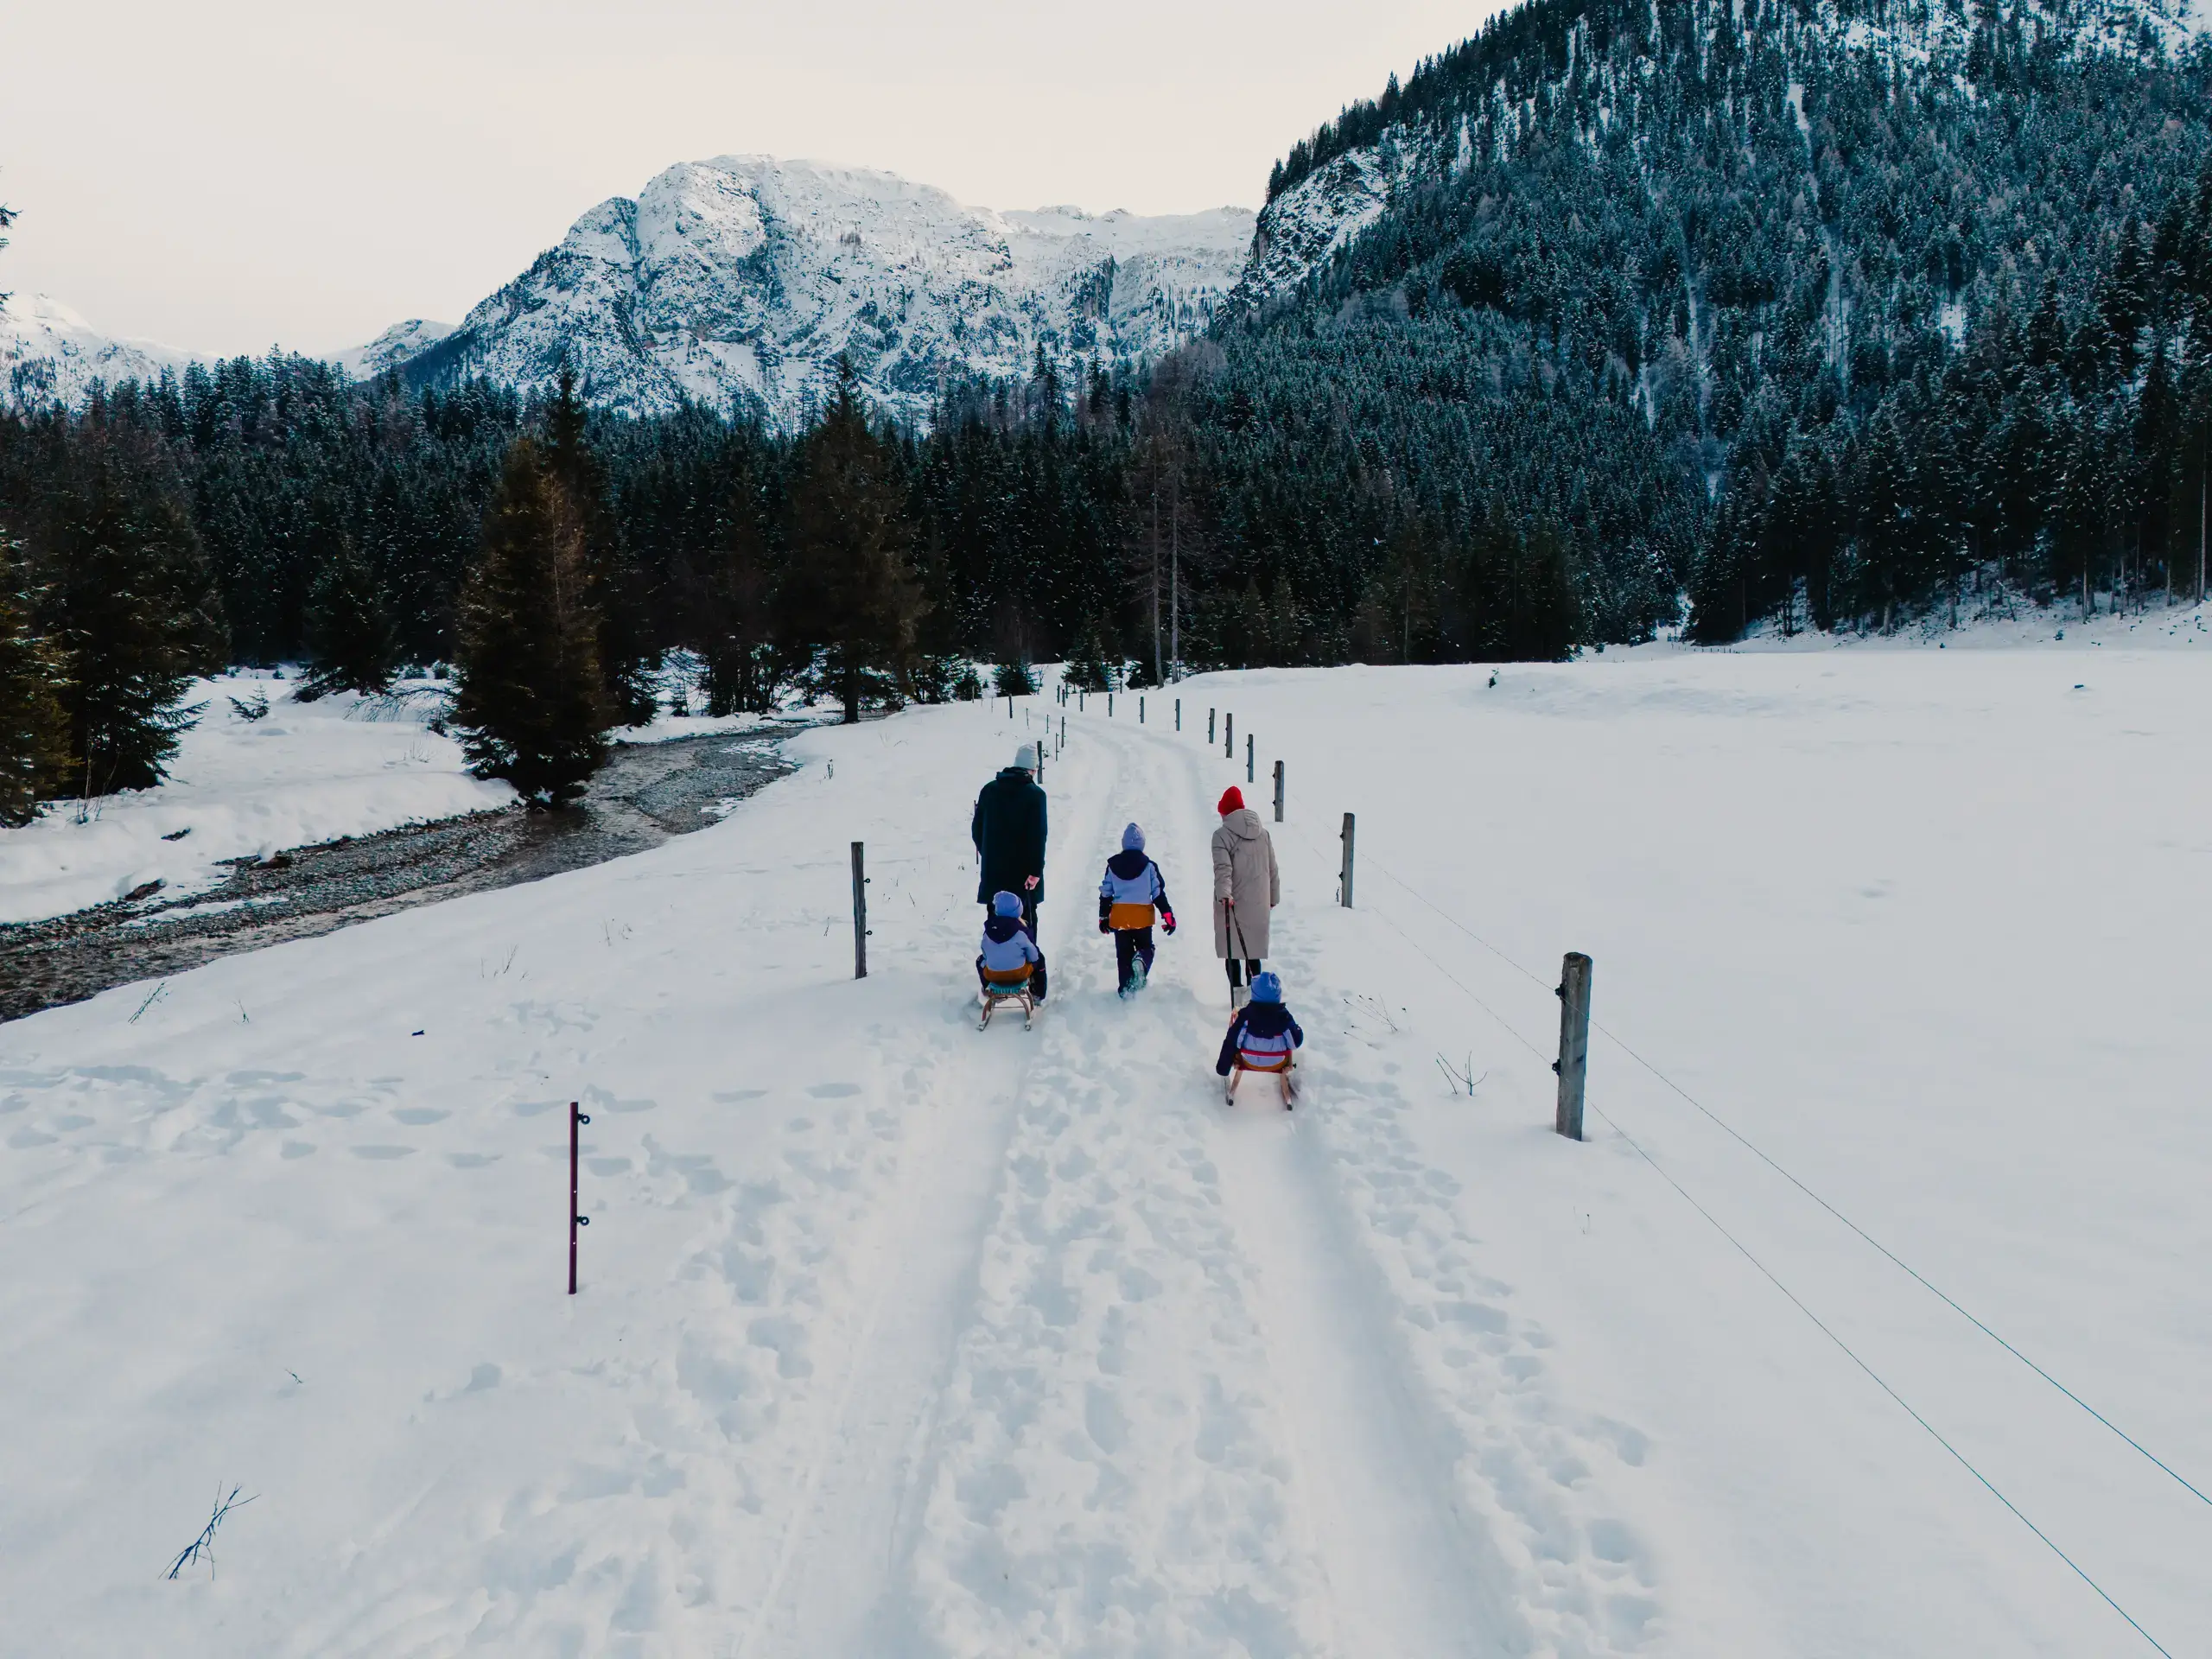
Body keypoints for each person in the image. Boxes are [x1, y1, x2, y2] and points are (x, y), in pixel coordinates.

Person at [1211, 785, 1279, 1009]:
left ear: (1226, 812)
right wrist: (1273, 897)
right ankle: (1255, 998)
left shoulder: (1221, 835)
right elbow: (1273, 868)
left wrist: (1224, 894)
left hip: (1233, 903)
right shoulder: (1263, 833)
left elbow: (1223, 869)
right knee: (1253, 952)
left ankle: (1238, 1000)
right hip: (1259, 902)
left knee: (1233, 951)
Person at [973, 744, 1047, 936]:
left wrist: (989, 854)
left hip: (994, 873)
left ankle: (995, 962)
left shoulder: (989, 790)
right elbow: (1038, 836)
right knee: (1025, 921)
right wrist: (1035, 871)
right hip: (1023, 877)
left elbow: (977, 829)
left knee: (995, 920)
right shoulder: (1036, 795)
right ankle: (1027, 964)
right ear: (1033, 769)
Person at [1097, 822, 1176, 998]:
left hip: (1120, 917)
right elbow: (1157, 893)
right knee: (1146, 947)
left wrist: (1103, 916)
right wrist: (1168, 914)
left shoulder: (1112, 866)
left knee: (1123, 955)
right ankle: (1141, 960)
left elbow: (1106, 893)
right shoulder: (1149, 866)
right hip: (1142, 918)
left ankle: (1125, 988)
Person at [1216, 970, 1304, 1103]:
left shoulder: (1245, 1016)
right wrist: (1297, 1029)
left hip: (1248, 1060)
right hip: (1277, 1062)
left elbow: (1233, 1040)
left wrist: (1223, 1068)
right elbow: (1295, 1042)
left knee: (1234, 1033)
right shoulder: (1283, 1016)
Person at [976, 890, 1046, 1003]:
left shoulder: (988, 931)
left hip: (993, 975)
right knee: (1040, 957)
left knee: (979, 960)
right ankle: (1038, 994)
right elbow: (1033, 957)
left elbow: (985, 953)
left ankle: (989, 990)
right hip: (1019, 974)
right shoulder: (1021, 931)